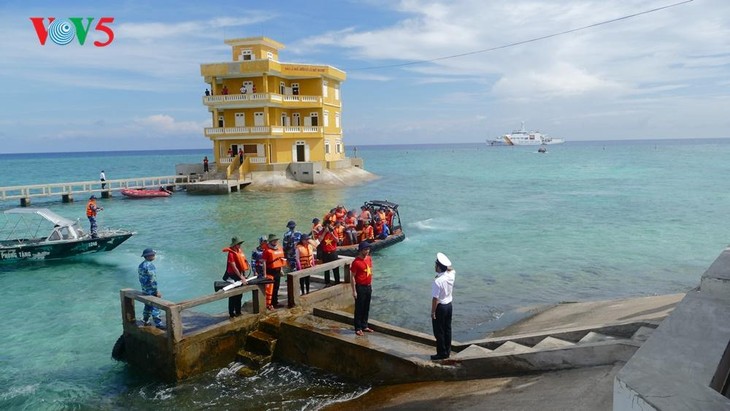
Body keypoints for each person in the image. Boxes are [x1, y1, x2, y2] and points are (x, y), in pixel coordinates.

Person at [431, 252, 455, 360]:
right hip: (449, 306)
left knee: (439, 331)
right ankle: (447, 351)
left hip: (440, 308)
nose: (434, 266)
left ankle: (441, 353)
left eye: (436, 265)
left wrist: (433, 312)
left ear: (439, 267)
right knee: (447, 329)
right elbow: (451, 269)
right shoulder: (451, 275)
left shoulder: (437, 281)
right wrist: (446, 266)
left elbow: (435, 299)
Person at [222, 237, 249, 318]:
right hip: (233, 276)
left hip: (239, 274)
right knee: (233, 295)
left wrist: (243, 275)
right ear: (234, 245)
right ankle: (231, 313)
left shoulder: (239, 251)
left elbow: (242, 264)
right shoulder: (231, 254)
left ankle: (238, 311)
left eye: (240, 244)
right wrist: (241, 277)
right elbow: (234, 267)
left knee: (239, 294)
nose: (240, 245)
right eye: (238, 244)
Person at [351, 242, 374, 336]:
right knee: (359, 308)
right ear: (361, 250)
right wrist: (354, 290)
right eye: (365, 249)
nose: (367, 251)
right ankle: (358, 327)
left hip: (368, 286)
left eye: (368, 249)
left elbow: (370, 271)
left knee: (366, 307)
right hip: (360, 287)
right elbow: (352, 276)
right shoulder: (356, 262)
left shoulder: (369, 258)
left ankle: (365, 325)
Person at [138, 248, 165, 329]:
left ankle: (145, 319)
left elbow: (141, 278)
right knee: (155, 306)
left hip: (144, 289)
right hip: (151, 289)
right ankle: (158, 324)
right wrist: (156, 291)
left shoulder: (141, 265)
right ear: (148, 256)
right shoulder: (150, 265)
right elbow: (152, 279)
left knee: (147, 304)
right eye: (153, 254)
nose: (154, 256)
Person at [263, 234, 286, 310]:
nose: (276, 241)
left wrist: (281, 269)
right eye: (274, 240)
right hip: (270, 271)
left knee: (276, 287)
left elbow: (281, 259)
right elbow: (264, 262)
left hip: (277, 270)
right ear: (270, 241)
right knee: (270, 288)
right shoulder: (267, 250)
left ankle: (275, 302)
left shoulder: (279, 248)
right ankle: (269, 304)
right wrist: (264, 274)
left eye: (276, 240)